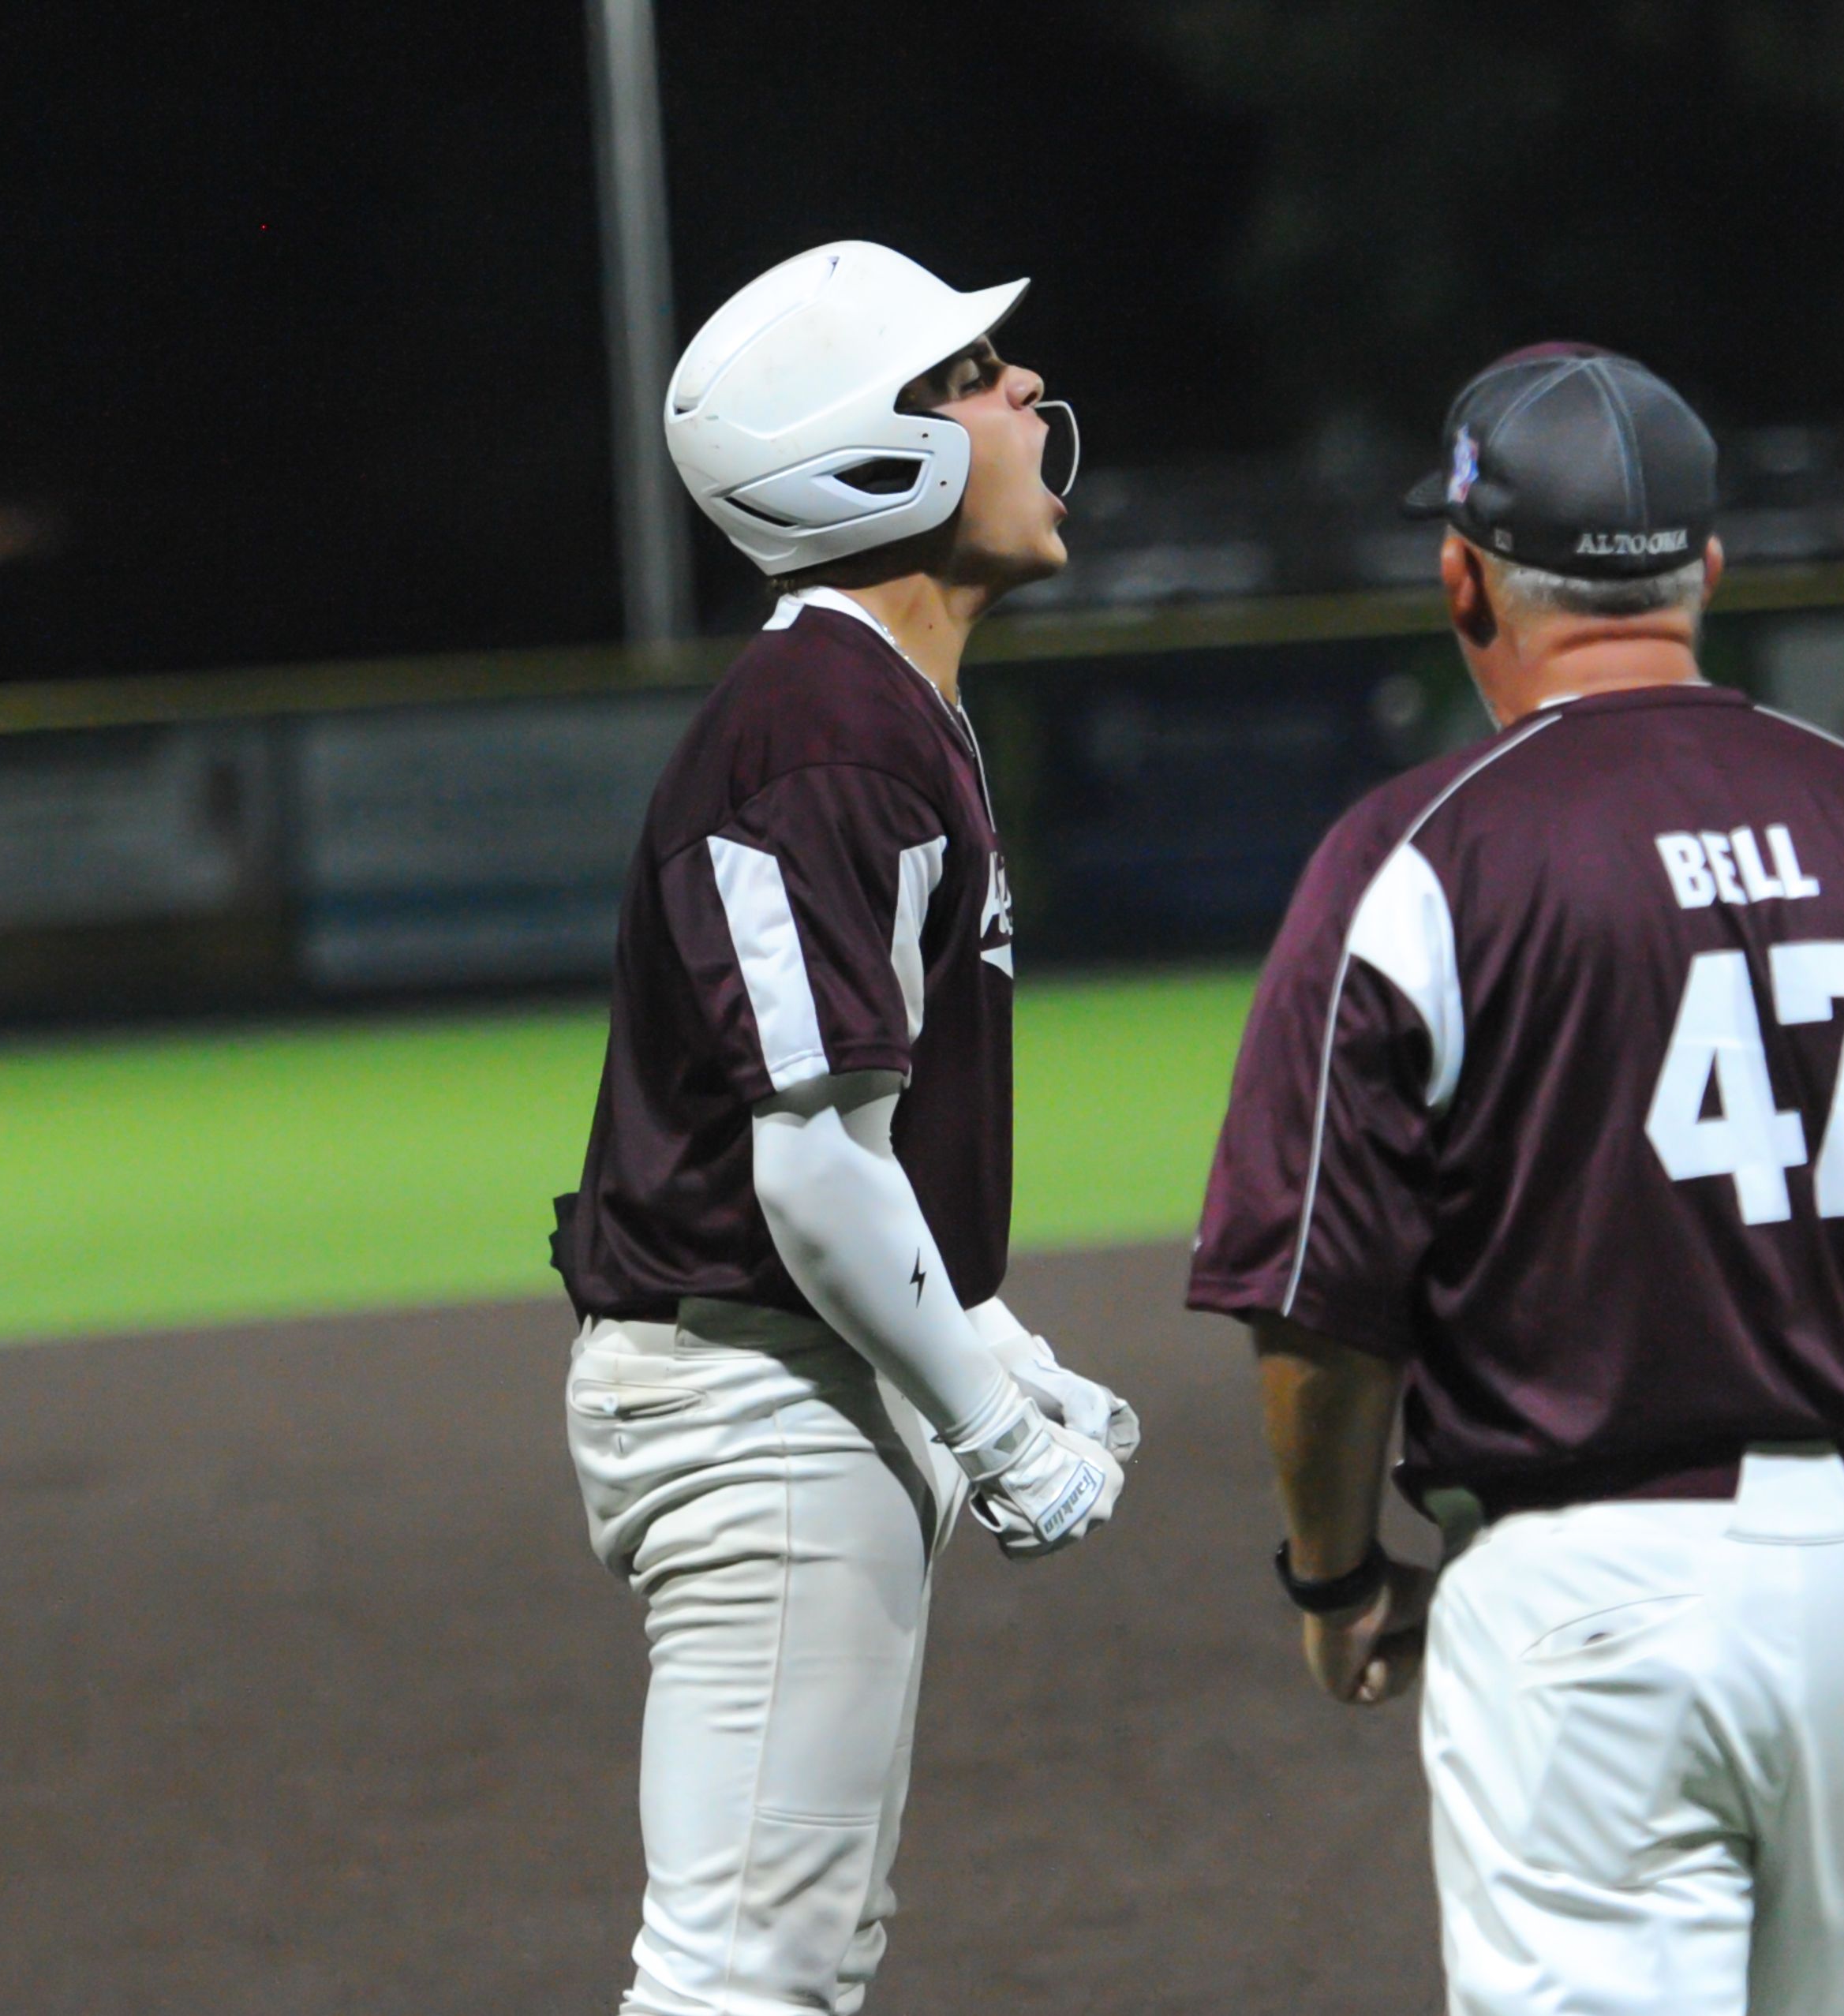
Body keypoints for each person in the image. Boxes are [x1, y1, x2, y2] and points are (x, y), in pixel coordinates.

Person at [1188, 343, 1844, 2016]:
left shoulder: (1418, 859)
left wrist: (1339, 1573)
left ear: (1461, 579)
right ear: (1709, 570)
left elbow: (1318, 1304)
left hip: (1590, 1590)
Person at [549, 240, 1135, 2016]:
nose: (1023, 391)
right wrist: (989, 1421)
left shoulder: (877, 705)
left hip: (792, 1375)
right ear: (863, 453)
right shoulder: (830, 731)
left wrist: (989, 1343)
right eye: (968, 372)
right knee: (744, 1975)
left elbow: (842, 1141)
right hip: (763, 1394)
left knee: (794, 1958)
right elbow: (805, 1164)